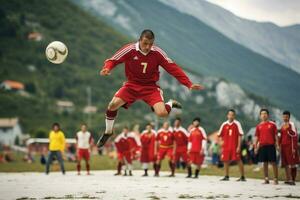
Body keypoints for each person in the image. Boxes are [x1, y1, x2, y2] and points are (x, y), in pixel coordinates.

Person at [96, 29, 204, 148]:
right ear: (140, 40)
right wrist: (108, 68)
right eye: (145, 43)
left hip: (150, 87)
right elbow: (113, 60)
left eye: (150, 44)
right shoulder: (130, 49)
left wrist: (188, 83)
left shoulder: (157, 53)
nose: (148, 47)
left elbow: (172, 67)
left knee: (162, 113)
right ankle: (108, 131)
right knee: (112, 105)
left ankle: (170, 104)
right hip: (131, 85)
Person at [218, 109, 246, 181]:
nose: (231, 116)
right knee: (225, 160)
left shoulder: (237, 124)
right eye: (229, 114)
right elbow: (219, 135)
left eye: (232, 115)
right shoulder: (224, 124)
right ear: (227, 115)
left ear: (234, 116)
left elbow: (240, 135)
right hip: (226, 146)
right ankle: (226, 176)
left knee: (238, 160)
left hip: (234, 146)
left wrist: (239, 146)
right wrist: (221, 142)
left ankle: (242, 176)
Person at [254, 109, 279, 184]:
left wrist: (277, 145)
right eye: (262, 114)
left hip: (271, 145)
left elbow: (276, 135)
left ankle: (275, 178)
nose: (263, 115)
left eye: (265, 113)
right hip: (262, 146)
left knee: (273, 162)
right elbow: (257, 137)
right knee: (264, 163)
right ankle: (266, 178)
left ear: (268, 115)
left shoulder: (272, 124)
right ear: (260, 116)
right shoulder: (259, 126)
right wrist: (255, 147)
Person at [279, 111, 299, 185]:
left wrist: (288, 129)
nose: (285, 118)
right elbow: (281, 136)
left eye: (286, 117)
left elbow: (294, 135)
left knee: (292, 163)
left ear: (289, 117)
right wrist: (279, 144)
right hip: (283, 147)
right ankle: (288, 179)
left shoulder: (292, 124)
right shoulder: (282, 125)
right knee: (286, 163)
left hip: (290, 146)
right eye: (284, 117)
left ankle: (292, 180)